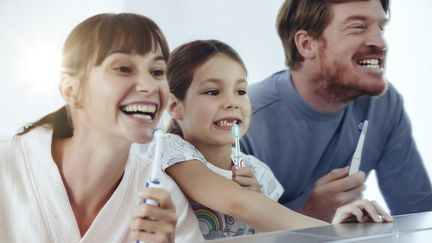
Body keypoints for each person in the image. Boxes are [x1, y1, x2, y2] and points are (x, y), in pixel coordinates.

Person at [144, 39, 392, 240]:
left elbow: (280, 235)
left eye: (240, 90)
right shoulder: (168, 149)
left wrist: (336, 223)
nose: (232, 102)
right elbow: (237, 203)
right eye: (212, 92)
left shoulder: (259, 174)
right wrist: (330, 233)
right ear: (175, 107)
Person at [0, 13, 203, 243]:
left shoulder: (166, 200)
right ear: (70, 89)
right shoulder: (6, 165)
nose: (148, 86)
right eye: (124, 68)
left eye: (157, 72)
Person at [240, 0, 432, 222]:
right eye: (358, 26)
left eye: (381, 28)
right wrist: (312, 215)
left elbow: (420, 215)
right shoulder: (243, 121)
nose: (380, 42)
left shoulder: (383, 106)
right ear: (306, 44)